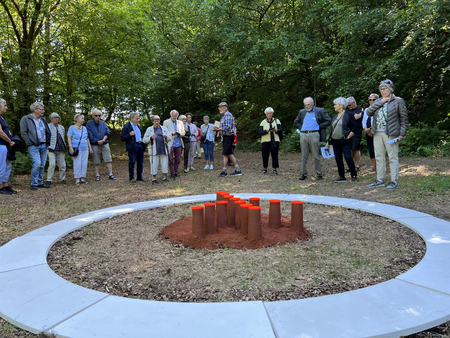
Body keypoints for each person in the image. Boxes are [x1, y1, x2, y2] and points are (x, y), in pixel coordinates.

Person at [366, 79, 409, 190]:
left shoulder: (398, 101)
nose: (382, 91)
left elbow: (404, 119)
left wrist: (402, 133)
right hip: (377, 133)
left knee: (392, 156)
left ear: (390, 89)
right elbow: (368, 112)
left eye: (384, 89)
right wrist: (381, 102)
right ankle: (380, 179)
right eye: (380, 89)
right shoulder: (378, 101)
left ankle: (393, 180)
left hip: (391, 133)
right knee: (379, 156)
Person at [294, 97, 331, 180]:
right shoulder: (302, 112)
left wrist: (319, 126)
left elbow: (329, 120)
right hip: (303, 134)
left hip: (314, 133)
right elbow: (296, 121)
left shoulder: (320, 110)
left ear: (313, 103)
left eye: (309, 104)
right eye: (305, 105)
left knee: (316, 155)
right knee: (304, 155)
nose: (307, 106)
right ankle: (304, 173)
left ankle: (319, 173)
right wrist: (302, 127)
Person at [20, 101, 52, 190]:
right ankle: (33, 183)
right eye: (41, 109)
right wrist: (28, 142)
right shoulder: (26, 119)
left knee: (42, 164)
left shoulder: (43, 120)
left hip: (44, 145)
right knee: (37, 163)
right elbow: (23, 132)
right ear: (35, 109)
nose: (43, 111)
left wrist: (47, 143)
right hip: (33, 145)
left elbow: (47, 131)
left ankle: (40, 182)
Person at [326, 97, 357, 183]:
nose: (334, 106)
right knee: (338, 159)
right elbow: (331, 130)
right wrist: (328, 142)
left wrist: (349, 136)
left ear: (342, 105)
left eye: (336, 104)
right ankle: (342, 176)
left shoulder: (348, 115)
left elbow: (355, 127)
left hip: (345, 141)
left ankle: (353, 175)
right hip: (335, 141)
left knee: (348, 158)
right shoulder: (334, 116)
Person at [212, 102, 242, 177]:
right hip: (226, 137)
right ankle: (237, 170)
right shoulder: (223, 116)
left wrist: (218, 130)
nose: (219, 109)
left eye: (221, 107)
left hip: (229, 136)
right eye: (219, 107)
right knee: (228, 154)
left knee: (225, 154)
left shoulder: (228, 115)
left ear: (226, 108)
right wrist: (217, 128)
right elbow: (224, 126)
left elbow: (228, 127)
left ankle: (224, 171)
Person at [86, 109, 116, 181]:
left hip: (104, 143)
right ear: (93, 116)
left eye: (99, 115)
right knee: (96, 160)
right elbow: (89, 135)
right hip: (95, 144)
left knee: (108, 159)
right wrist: (97, 141)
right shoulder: (89, 123)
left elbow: (107, 132)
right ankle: (97, 175)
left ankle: (110, 174)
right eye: (96, 115)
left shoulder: (103, 123)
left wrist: (103, 140)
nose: (98, 117)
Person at [143, 115, 171, 184]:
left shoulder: (164, 128)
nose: (157, 122)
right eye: (155, 121)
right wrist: (151, 137)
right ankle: (154, 178)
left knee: (164, 163)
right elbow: (144, 139)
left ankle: (164, 177)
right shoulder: (149, 129)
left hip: (163, 148)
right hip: (154, 149)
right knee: (154, 164)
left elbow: (170, 137)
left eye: (158, 121)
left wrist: (166, 137)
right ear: (153, 122)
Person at [121, 112, 147, 183]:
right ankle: (131, 177)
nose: (138, 120)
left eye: (138, 118)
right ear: (131, 118)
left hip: (140, 145)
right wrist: (129, 134)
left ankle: (139, 177)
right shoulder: (127, 126)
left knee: (140, 162)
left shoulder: (138, 126)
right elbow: (122, 138)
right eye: (136, 118)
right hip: (132, 146)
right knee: (132, 163)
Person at [68, 114, 93, 186]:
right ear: (77, 119)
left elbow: (87, 138)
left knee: (84, 164)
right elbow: (69, 138)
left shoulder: (84, 128)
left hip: (85, 148)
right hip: (77, 149)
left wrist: (90, 147)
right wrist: (70, 147)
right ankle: (77, 179)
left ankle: (82, 178)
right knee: (77, 164)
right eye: (82, 118)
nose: (83, 120)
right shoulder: (71, 128)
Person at [0, 99, 17, 195]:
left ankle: (5, 184)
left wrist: (12, 140)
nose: (6, 107)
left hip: (6, 145)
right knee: (1, 166)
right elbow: (0, 132)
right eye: (4, 105)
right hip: (1, 145)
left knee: (7, 166)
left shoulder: (2, 118)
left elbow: (7, 130)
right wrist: (10, 141)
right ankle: (0, 186)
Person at [46, 113, 67, 185]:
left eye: (58, 117)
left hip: (61, 148)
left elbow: (63, 137)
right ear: (51, 118)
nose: (56, 119)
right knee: (52, 164)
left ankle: (62, 178)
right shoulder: (48, 126)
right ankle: (49, 180)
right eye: (55, 117)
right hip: (51, 148)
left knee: (62, 165)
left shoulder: (61, 127)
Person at [259, 107, 281, 175]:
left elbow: (280, 130)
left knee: (274, 155)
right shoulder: (263, 122)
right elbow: (260, 132)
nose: (269, 115)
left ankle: (275, 169)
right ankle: (265, 169)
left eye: (271, 113)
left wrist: (275, 130)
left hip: (275, 140)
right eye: (268, 113)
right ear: (266, 114)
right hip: (265, 141)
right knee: (265, 155)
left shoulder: (277, 121)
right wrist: (267, 131)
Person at [163, 110, 185, 178]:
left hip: (178, 142)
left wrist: (180, 133)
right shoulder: (166, 122)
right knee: (171, 159)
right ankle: (172, 172)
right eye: (173, 116)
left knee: (178, 159)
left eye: (176, 116)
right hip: (170, 143)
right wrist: (171, 133)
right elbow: (164, 132)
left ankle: (176, 172)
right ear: (171, 115)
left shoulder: (180, 122)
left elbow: (183, 132)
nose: (175, 117)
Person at [346, 97, 363, 171]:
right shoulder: (347, 111)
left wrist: (360, 114)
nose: (348, 106)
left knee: (356, 149)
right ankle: (350, 166)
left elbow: (360, 117)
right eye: (347, 105)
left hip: (356, 132)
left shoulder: (360, 110)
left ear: (354, 103)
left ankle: (356, 165)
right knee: (349, 149)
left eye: (349, 105)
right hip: (348, 132)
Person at [362, 94, 379, 171]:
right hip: (368, 132)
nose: (372, 101)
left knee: (378, 149)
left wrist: (370, 129)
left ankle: (380, 166)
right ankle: (373, 166)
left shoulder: (379, 109)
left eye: (374, 99)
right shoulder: (366, 110)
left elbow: (378, 121)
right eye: (370, 100)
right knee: (371, 149)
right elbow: (364, 121)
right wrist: (366, 129)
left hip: (377, 131)